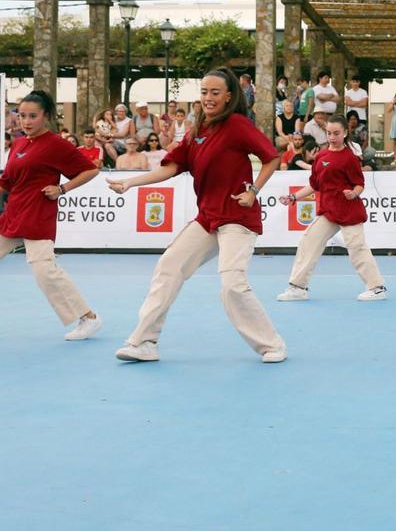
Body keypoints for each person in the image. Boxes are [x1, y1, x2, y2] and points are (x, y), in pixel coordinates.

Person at [108, 67, 287, 363]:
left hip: (238, 217)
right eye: (204, 92)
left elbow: (271, 157)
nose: (208, 98)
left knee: (232, 284)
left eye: (215, 93)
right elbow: (171, 167)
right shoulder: (196, 131)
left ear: (229, 96)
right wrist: (130, 182)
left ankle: (271, 345)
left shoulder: (238, 124)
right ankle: (144, 342)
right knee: (169, 266)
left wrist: (253, 191)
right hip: (207, 219)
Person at [0, 90, 102, 344]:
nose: (26, 121)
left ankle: (88, 317)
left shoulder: (57, 144)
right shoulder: (17, 144)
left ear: (46, 116)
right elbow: (5, 184)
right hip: (13, 215)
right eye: (22, 115)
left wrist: (61, 189)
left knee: (44, 271)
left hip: (38, 215)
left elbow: (90, 171)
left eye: (33, 116)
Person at [277, 115, 388, 304]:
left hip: (350, 212)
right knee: (308, 241)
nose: (332, 137)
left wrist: (353, 193)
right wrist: (294, 197)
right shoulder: (320, 156)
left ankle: (377, 288)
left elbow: (359, 184)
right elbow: (314, 185)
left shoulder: (350, 159)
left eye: (336, 133)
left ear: (345, 133)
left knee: (357, 248)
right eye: (329, 133)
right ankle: (298, 287)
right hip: (329, 212)